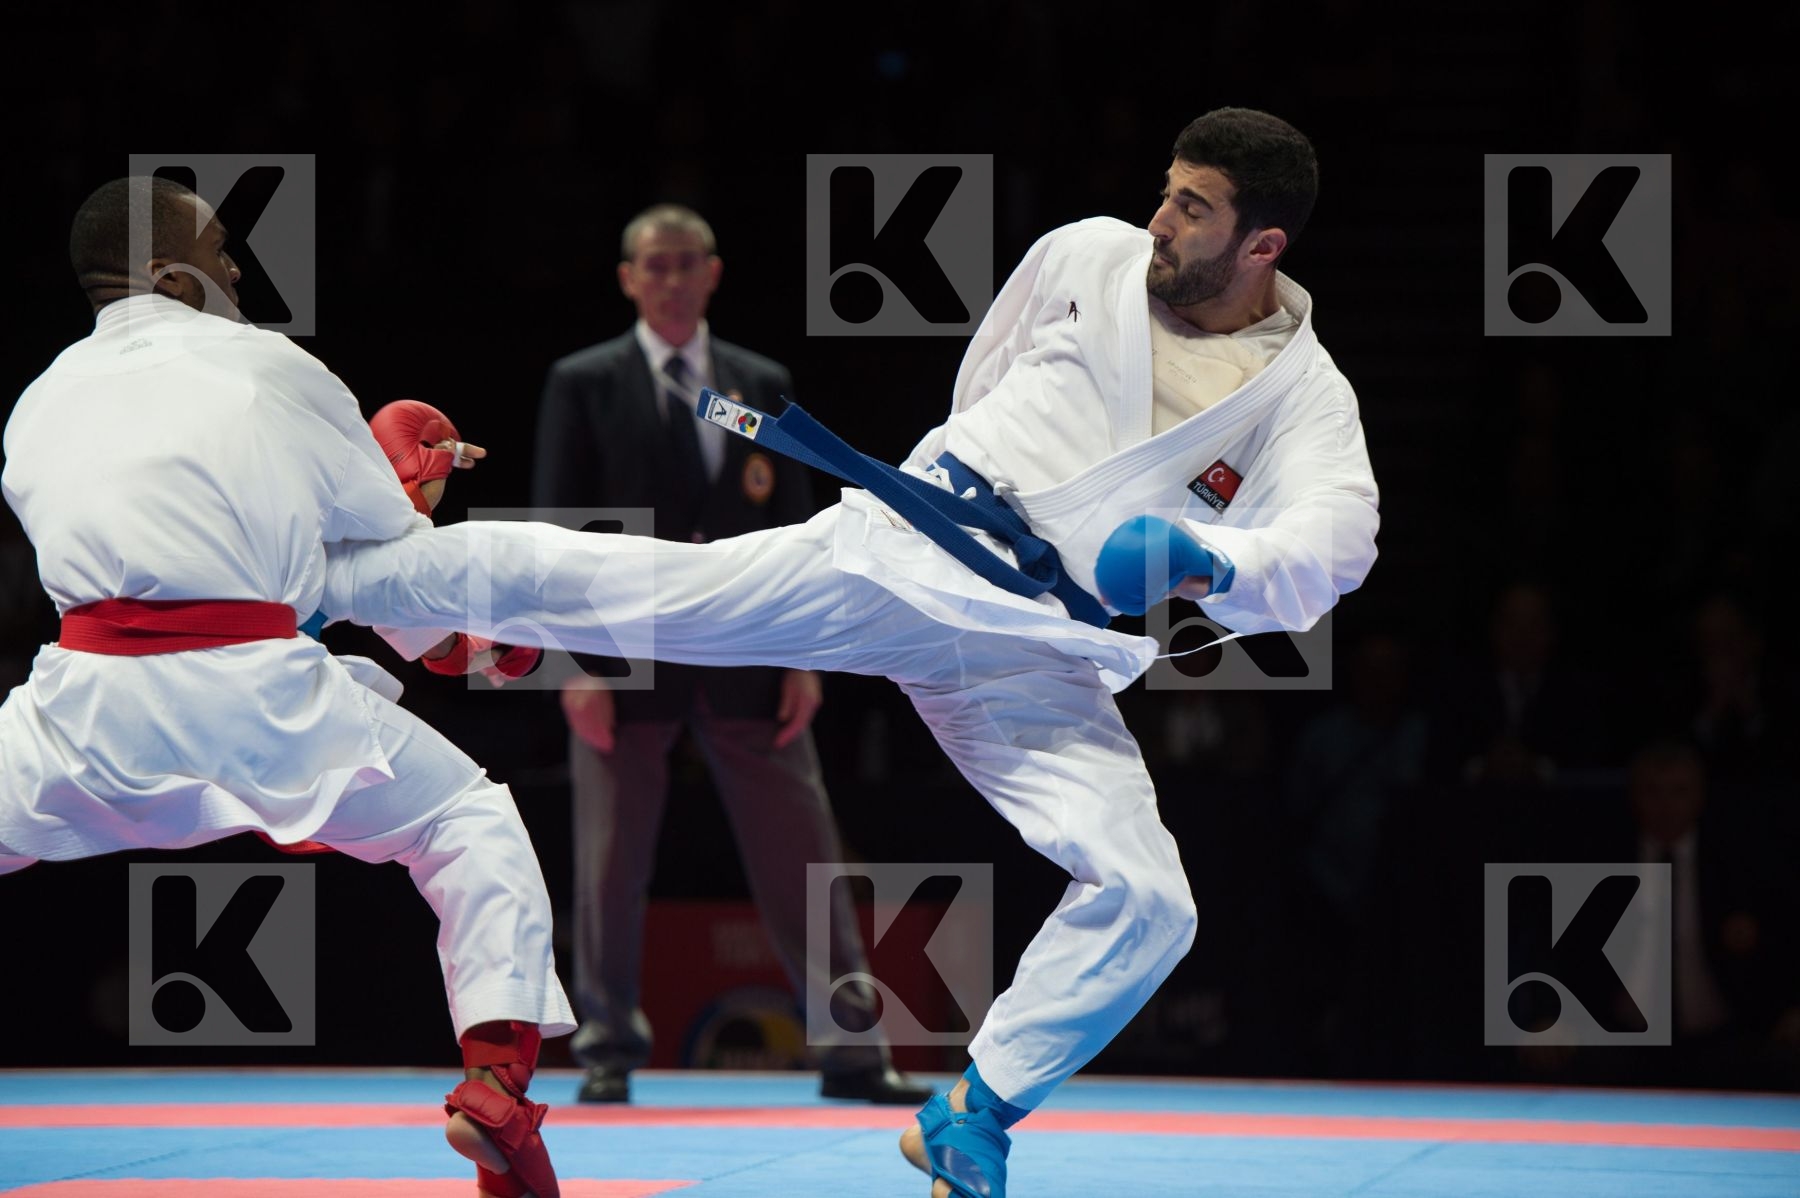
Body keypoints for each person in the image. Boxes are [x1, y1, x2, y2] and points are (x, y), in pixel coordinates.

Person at [322, 107, 1380, 1198]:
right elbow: (990, 371)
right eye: (1167, 190)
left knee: (1152, 897)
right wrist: (969, 486)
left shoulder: (1300, 396)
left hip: (1033, 646)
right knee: (645, 589)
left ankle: (977, 1109)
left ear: (1264, 247)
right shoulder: (1084, 253)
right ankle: (360, 576)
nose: (1159, 219)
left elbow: (1338, 542)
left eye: (1192, 209)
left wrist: (1206, 563)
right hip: (906, 551)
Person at [0, 177, 572, 1198]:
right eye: (217, 252)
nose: (234, 271)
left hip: (80, 708)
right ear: (169, 272)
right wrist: (479, 636)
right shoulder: (268, 363)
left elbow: (161, 539)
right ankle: (495, 1083)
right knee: (466, 820)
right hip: (259, 703)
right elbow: (385, 564)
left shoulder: (37, 398)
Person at [534, 203, 928, 1105]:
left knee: (806, 857)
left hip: (754, 646)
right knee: (607, 862)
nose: (671, 279)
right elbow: (555, 533)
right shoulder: (583, 382)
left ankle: (855, 1052)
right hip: (622, 653)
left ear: (713, 273)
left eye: (686, 264)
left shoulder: (759, 379)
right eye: (655, 265)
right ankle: (605, 1046)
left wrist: (805, 656)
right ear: (629, 278)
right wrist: (574, 666)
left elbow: (801, 530)